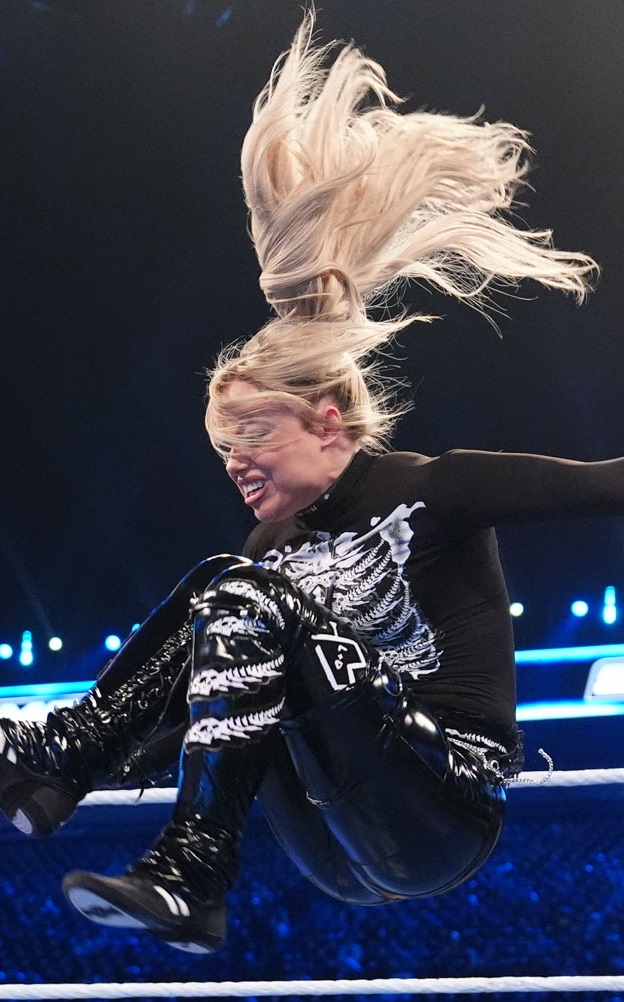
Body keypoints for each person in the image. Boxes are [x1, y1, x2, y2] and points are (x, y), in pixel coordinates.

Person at [0, 11, 621, 955]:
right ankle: (88, 783)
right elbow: (215, 708)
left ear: (328, 422)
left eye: (253, 433)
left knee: (239, 592)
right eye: (223, 448)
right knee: (226, 590)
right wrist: (131, 758)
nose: (235, 462)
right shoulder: (267, 555)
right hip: (330, 839)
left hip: (442, 799)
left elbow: (606, 485)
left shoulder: (440, 490)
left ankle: (120, 808)